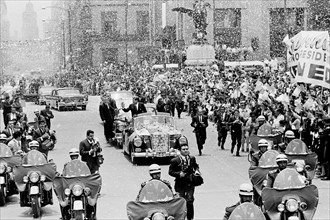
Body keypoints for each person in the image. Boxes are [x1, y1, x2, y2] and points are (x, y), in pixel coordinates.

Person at [169, 144, 200, 220]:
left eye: (187, 149)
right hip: (180, 184)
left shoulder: (192, 158)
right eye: (184, 149)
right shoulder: (175, 160)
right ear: (180, 151)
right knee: (181, 201)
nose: (186, 151)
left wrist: (196, 171)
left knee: (190, 201)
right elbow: (170, 172)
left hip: (190, 183)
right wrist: (179, 174)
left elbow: (196, 166)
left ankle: (190, 218)